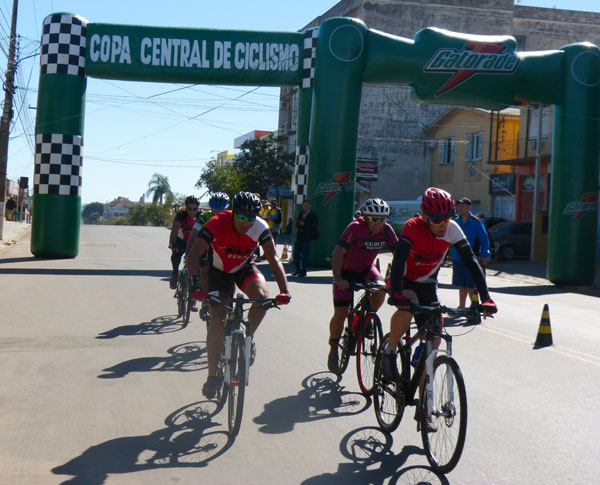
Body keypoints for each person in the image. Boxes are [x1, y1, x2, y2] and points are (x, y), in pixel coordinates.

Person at [384, 188, 497, 420]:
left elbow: (472, 263)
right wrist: (396, 292)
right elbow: (397, 263)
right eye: (437, 220)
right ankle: (390, 349)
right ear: (424, 216)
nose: (443, 225)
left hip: (427, 283)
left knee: (435, 338)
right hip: (404, 279)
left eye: (447, 218)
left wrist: (485, 297)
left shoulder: (452, 229)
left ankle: (425, 403)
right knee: (406, 309)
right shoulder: (412, 227)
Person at [188, 191, 291, 399]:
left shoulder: (260, 227)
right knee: (218, 319)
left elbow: (273, 259)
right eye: (241, 217)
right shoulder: (217, 223)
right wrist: (196, 285)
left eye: (250, 218)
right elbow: (194, 254)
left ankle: (248, 339)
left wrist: (284, 290)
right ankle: (212, 376)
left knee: (262, 299)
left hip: (244, 269)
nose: (246, 223)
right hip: (219, 272)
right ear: (233, 213)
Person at [327, 198, 398, 373]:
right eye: (375, 219)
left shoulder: (387, 231)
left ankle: (364, 318)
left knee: (380, 290)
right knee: (341, 313)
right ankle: (334, 350)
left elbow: (399, 255)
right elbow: (337, 254)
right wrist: (338, 279)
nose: (379, 223)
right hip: (345, 272)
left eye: (382, 219)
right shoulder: (355, 228)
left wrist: (397, 280)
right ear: (366, 218)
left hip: (367, 269)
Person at [186, 192, 230, 316]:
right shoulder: (204, 217)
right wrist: (189, 252)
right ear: (211, 208)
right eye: (215, 209)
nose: (218, 212)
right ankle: (205, 300)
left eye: (221, 209)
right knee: (205, 268)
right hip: (206, 247)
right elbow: (194, 235)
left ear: (227, 208)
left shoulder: (232, 218)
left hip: (224, 249)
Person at [451, 198, 490, 308]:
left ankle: (474, 306)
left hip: (470, 258)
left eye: (463, 205)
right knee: (461, 284)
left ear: (469, 207)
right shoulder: (455, 222)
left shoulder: (476, 222)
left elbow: (484, 239)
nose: (460, 207)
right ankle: (461, 307)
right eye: (459, 205)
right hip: (457, 258)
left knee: (470, 284)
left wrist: (484, 255)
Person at [168, 196, 199, 289]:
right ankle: (174, 273)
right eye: (190, 209)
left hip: (194, 241)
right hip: (182, 240)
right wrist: (172, 243)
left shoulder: (201, 215)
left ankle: (195, 282)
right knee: (176, 254)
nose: (192, 211)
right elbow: (174, 230)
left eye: (195, 209)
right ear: (186, 208)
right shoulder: (181, 215)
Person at [292, 199, 319, 277]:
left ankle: (303, 272)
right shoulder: (301, 213)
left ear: (309, 206)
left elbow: (314, 225)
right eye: (304, 205)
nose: (305, 207)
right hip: (299, 237)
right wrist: (299, 223)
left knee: (304, 256)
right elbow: (297, 222)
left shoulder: (312, 215)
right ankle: (297, 270)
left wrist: (304, 224)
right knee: (295, 254)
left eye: (306, 205)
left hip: (307, 237)